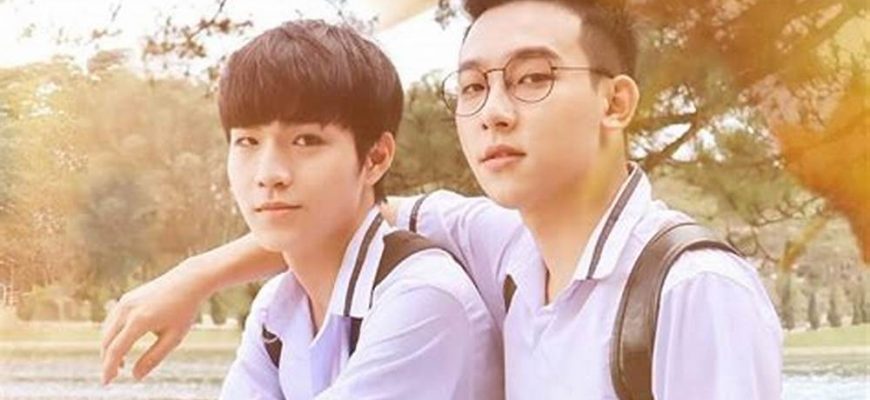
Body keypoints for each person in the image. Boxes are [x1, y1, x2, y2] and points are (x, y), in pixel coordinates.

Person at [102, 1, 782, 399]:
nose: (495, 112)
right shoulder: (505, 247)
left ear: (616, 102)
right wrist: (192, 278)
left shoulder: (692, 289)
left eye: (533, 79)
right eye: (474, 87)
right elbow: (345, 218)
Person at [99, 19, 503, 400]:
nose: (269, 175)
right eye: (248, 142)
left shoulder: (423, 300)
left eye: (306, 141)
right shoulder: (279, 307)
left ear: (375, 157)